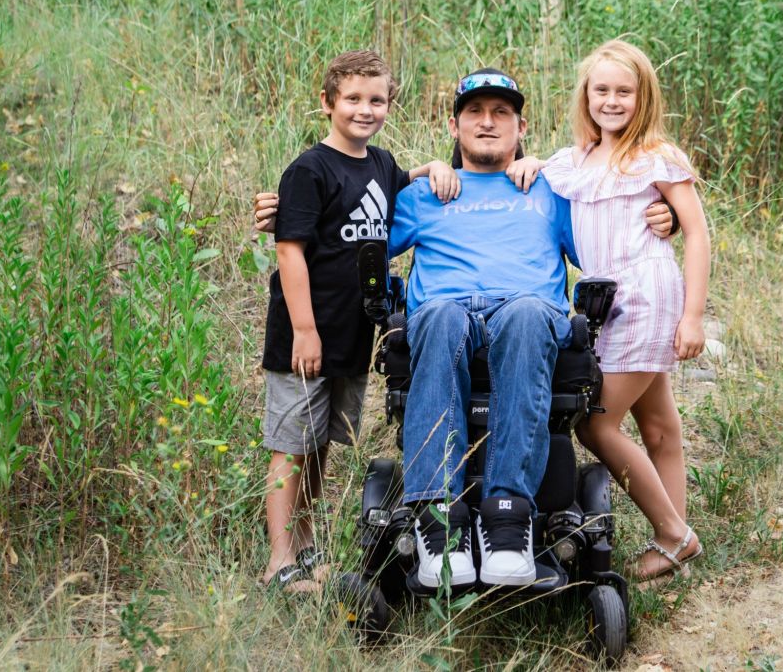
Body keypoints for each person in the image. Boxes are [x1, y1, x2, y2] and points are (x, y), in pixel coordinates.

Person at [253, 69, 676, 589]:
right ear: (454, 126)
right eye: (475, 112)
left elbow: (611, 233)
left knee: (526, 314)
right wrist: (284, 214)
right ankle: (439, 520)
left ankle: (507, 518)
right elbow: (345, 229)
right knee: (438, 315)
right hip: (445, 312)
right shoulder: (423, 194)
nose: (487, 122)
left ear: (522, 127)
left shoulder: (553, 190)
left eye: (501, 113)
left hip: (526, 311)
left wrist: (665, 216)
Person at [508, 39, 710, 586]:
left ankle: (674, 534)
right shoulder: (575, 161)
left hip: (645, 295)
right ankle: (672, 549)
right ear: (586, 95)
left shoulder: (655, 157)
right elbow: (541, 176)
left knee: (595, 425)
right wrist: (528, 163)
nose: (612, 101)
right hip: (603, 303)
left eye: (625, 91)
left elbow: (696, 232)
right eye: (602, 90)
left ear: (644, 97)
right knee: (659, 426)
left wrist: (693, 316)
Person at [258, 50, 459, 593]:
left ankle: (306, 549)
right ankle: (279, 561)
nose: (364, 110)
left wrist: (433, 168)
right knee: (291, 444)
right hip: (306, 333)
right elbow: (290, 251)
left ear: (389, 104)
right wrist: (305, 329)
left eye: (376, 100)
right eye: (352, 99)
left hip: (351, 334)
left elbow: (404, 183)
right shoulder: (309, 170)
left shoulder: (380, 164)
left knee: (319, 445)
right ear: (327, 102)